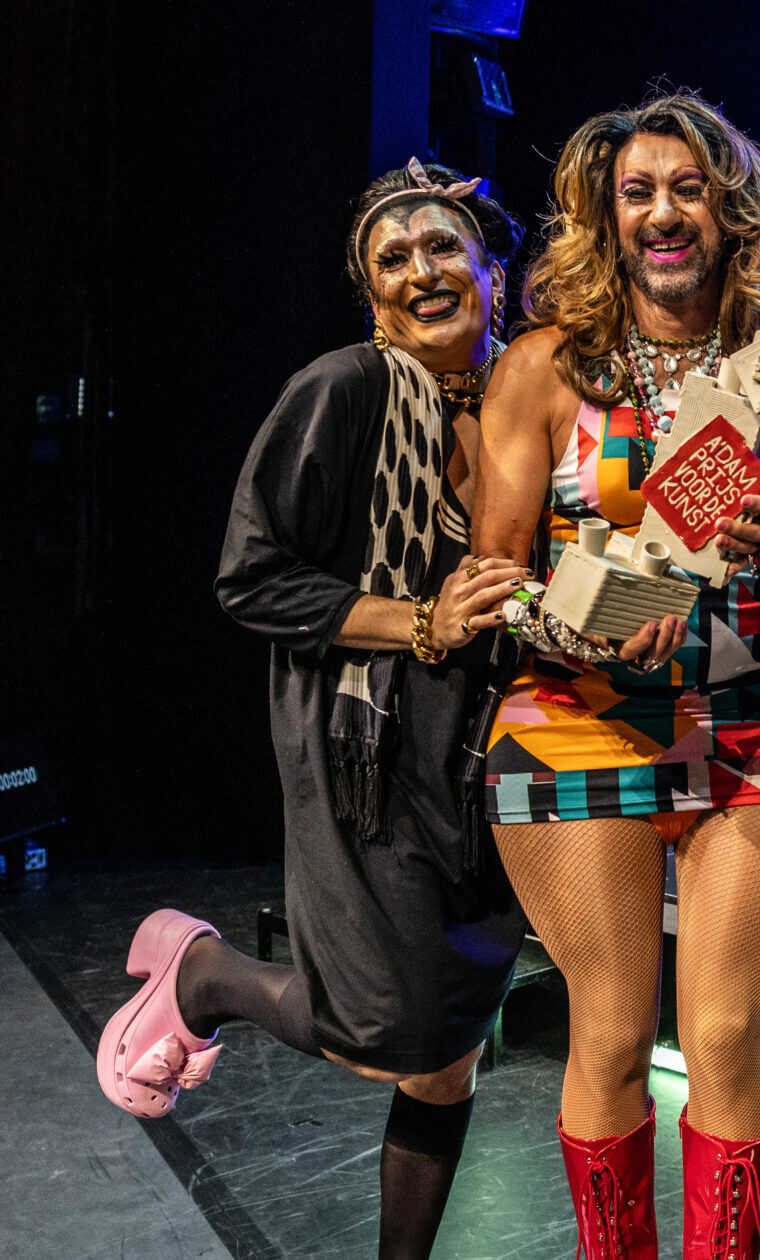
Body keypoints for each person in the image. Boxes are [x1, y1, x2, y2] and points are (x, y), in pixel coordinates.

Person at [95, 159, 530, 1259]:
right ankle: (206, 976)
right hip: (365, 740)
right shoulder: (343, 389)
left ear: (490, 264)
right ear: (370, 293)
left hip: (497, 742)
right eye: (394, 259)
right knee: (384, 1025)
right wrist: (419, 622)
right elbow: (251, 577)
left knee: (450, 1042)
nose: (424, 273)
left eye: (444, 248)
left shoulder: (537, 402)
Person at [471, 92, 760, 1260]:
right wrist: (584, 630)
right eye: (637, 192)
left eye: (687, 187)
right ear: (605, 216)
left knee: (729, 1032)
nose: (662, 212)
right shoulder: (542, 368)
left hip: (756, 713)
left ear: (730, 208)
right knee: (608, 1036)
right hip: (576, 717)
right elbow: (492, 574)